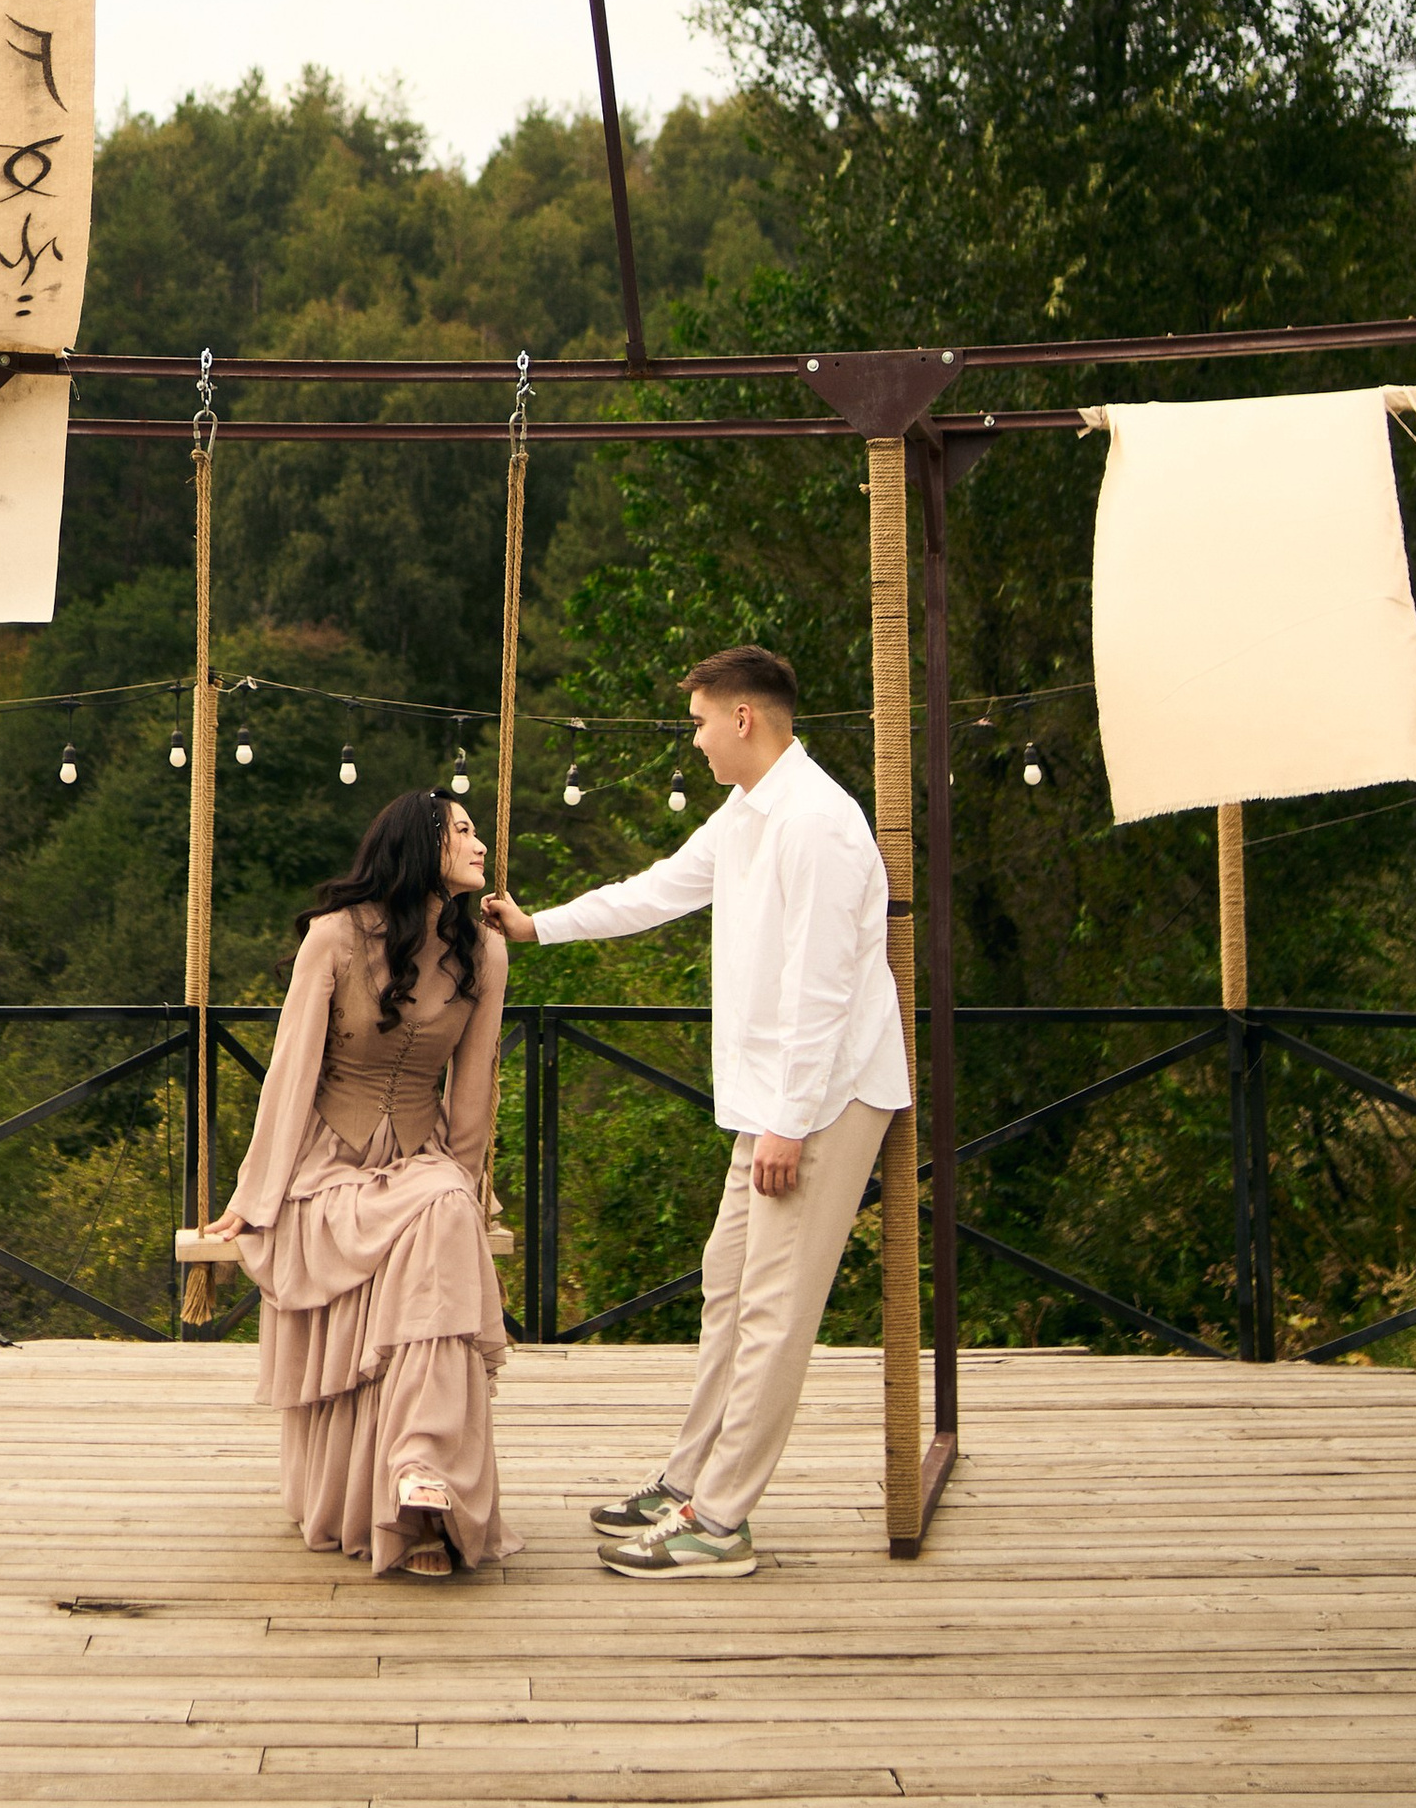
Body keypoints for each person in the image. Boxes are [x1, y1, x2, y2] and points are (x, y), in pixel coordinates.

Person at [484, 645, 906, 1582]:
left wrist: (790, 1125)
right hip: (775, 1097)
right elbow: (662, 890)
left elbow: (825, 990)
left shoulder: (819, 824)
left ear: (745, 718)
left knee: (773, 1311)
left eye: (702, 721)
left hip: (826, 1097)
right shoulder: (748, 813)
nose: (699, 739)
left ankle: (720, 1522)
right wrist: (539, 924)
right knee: (728, 1284)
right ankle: (688, 1479)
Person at [203, 788, 516, 1580]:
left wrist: (473, 1190)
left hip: (420, 1162)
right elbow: (290, 1070)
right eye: (465, 833)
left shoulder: (483, 950)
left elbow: (472, 1093)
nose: (481, 846)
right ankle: (409, 1493)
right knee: (437, 1214)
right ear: (422, 848)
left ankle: (422, 1472)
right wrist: (252, 1199)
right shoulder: (335, 939)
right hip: (326, 1170)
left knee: (445, 1211)